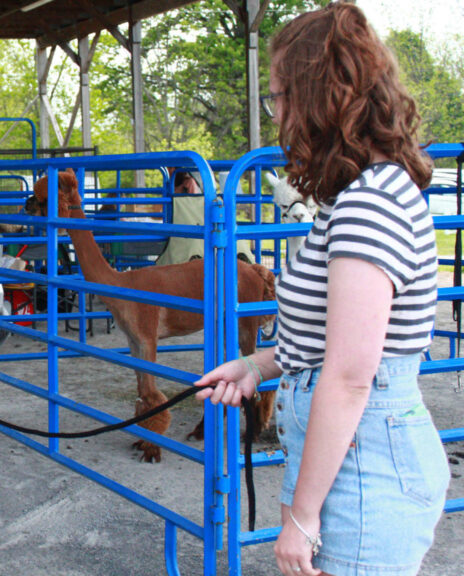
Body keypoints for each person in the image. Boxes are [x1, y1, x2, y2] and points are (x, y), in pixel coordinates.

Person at [196, 4, 449, 576]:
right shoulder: (360, 194)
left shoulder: (368, 203)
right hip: (348, 457)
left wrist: (301, 518)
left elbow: (353, 374)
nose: (277, 112)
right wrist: (257, 366)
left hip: (364, 468)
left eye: (280, 96)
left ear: (320, 98)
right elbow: (336, 343)